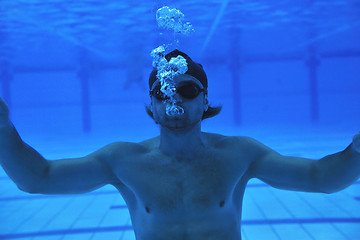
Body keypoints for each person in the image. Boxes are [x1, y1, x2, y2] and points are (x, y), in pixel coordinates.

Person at [0, 49, 359, 240]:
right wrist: (2, 129)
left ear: (205, 100)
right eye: (164, 92)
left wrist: (357, 151)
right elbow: (38, 178)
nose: (175, 102)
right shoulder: (123, 161)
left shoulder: (239, 155)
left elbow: (319, 178)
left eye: (187, 91)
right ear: (151, 103)